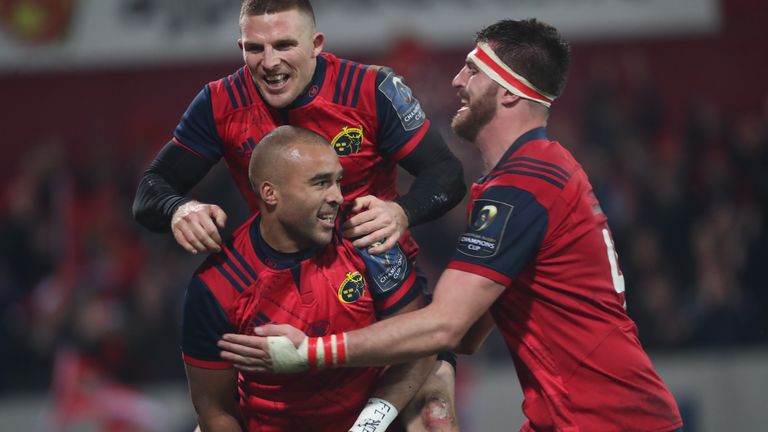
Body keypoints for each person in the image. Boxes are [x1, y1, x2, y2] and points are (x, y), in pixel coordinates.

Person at [219, 19, 685, 431]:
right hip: (579, 417)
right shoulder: (532, 174)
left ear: (508, 91)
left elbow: (445, 327)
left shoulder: (524, 184)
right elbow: (465, 334)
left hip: (608, 420)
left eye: (473, 69)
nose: (457, 79)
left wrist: (311, 354)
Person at [132, 0, 465, 429]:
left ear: (316, 45)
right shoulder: (220, 102)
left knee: (435, 418)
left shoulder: (371, 89)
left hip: (378, 285)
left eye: (284, 45)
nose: (269, 63)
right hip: (273, 292)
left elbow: (447, 174)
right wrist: (180, 208)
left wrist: (401, 213)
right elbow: (149, 191)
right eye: (255, 48)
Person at [184, 125, 437, 432]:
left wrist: (369, 426)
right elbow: (215, 408)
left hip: (370, 421)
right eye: (321, 184)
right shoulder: (216, 284)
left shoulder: (365, 238)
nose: (338, 197)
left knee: (435, 414)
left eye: (338, 181)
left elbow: (421, 343)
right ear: (270, 193)